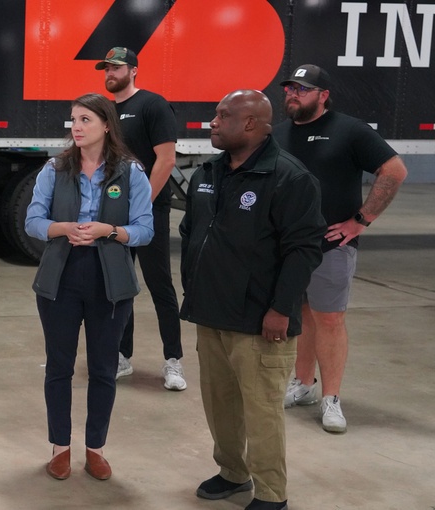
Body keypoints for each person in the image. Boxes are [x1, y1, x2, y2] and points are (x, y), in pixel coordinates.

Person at [179, 90, 325, 510]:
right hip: (212, 311)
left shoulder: (289, 178)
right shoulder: (209, 172)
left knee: (261, 411)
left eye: (222, 115)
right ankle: (232, 472)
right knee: (219, 404)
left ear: (250, 124)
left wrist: (281, 308)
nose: (212, 121)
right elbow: (192, 231)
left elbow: (304, 250)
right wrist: (194, 285)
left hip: (262, 319)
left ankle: (271, 493)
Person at [273, 64, 409, 433]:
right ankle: (303, 384)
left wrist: (360, 220)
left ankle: (331, 398)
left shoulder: (349, 130)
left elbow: (394, 171)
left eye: (302, 89)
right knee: (300, 314)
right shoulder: (279, 134)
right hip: (286, 245)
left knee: (329, 317)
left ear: (323, 95)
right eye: (290, 89)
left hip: (331, 244)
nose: (293, 94)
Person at [25, 93, 154, 481]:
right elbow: (32, 220)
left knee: (102, 369)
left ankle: (95, 449)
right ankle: (59, 448)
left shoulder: (131, 172)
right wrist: (62, 228)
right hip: (60, 278)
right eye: (73, 121)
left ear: (106, 125)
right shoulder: (55, 168)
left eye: (85, 120)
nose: (76, 128)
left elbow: (145, 230)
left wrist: (109, 231)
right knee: (59, 368)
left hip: (109, 282)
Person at [96, 46, 186, 390]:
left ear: (133, 70)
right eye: (106, 69)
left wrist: (142, 206)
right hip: (113, 213)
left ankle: (173, 361)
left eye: (116, 68)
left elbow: (166, 159)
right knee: (119, 286)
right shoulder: (103, 111)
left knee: (159, 283)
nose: (109, 74)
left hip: (147, 212)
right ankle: (121, 356)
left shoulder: (152, 105)